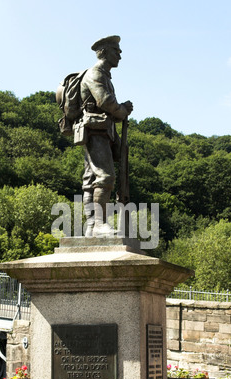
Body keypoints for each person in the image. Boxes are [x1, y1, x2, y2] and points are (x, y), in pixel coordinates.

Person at [80, 35, 133, 237]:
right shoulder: (96, 73)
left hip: (103, 131)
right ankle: (100, 224)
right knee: (105, 176)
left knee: (91, 180)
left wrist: (120, 112)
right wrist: (122, 110)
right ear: (103, 52)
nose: (119, 55)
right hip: (96, 132)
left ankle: (92, 227)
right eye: (115, 50)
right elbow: (105, 102)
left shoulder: (105, 75)